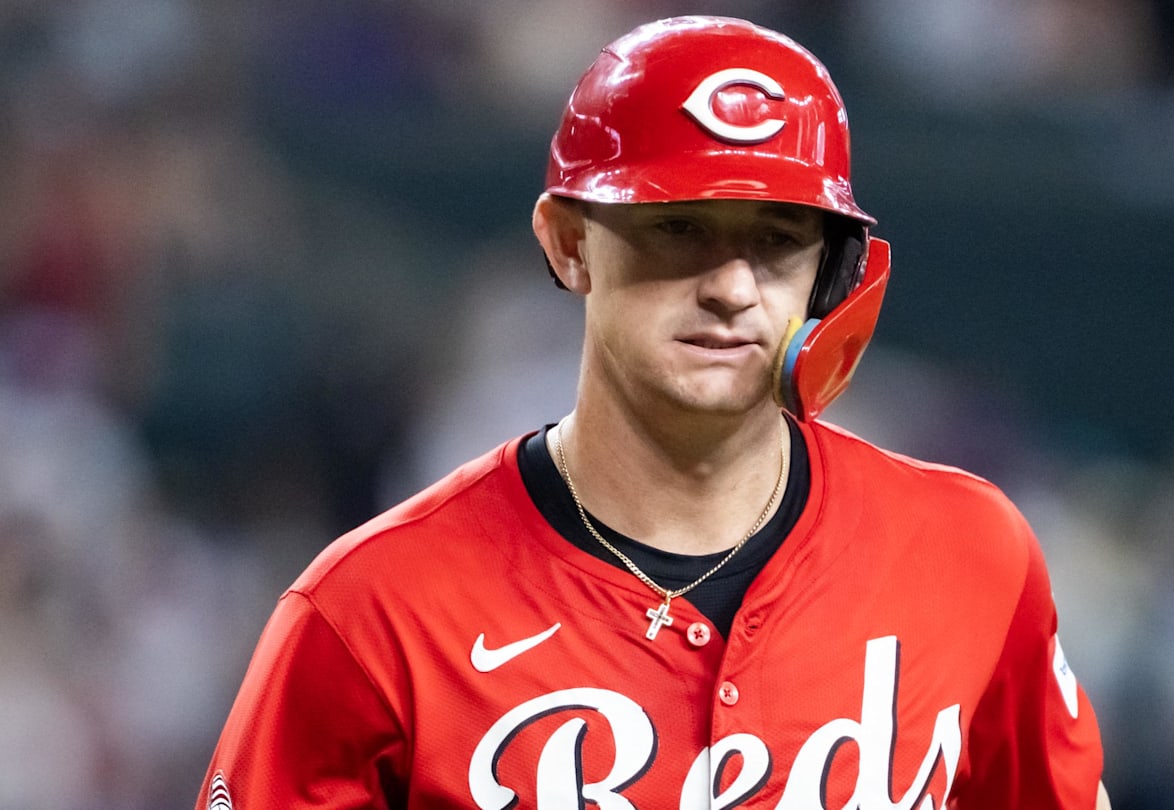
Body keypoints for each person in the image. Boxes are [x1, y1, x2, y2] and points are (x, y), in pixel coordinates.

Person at [196, 15, 1109, 809]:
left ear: (832, 274)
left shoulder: (968, 555)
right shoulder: (372, 612)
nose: (733, 287)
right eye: (679, 228)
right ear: (568, 243)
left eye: (779, 241)